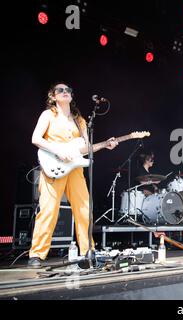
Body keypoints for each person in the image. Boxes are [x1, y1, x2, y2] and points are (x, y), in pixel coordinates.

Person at [29, 83, 119, 268]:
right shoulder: (48, 115)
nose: (65, 92)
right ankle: (37, 254)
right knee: (48, 210)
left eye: (68, 90)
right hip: (53, 166)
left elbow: (85, 149)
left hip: (75, 170)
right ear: (53, 96)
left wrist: (103, 145)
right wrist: (58, 151)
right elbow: (36, 138)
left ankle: (87, 251)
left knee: (84, 210)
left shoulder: (80, 120)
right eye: (60, 90)